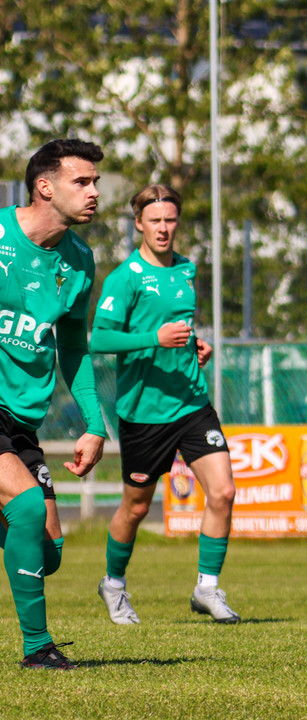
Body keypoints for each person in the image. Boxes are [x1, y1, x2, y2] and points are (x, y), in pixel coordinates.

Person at [90, 184, 240, 625]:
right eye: (154, 220)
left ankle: (207, 588)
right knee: (136, 507)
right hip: (144, 412)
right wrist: (153, 339)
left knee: (224, 492)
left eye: (170, 220)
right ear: (139, 223)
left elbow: (179, 327)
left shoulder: (186, 269)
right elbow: (100, 339)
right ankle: (113, 584)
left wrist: (196, 346)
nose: (163, 228)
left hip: (191, 402)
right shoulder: (126, 277)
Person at [0, 138, 107, 669]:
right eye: (81, 182)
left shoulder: (80, 261)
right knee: (24, 508)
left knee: (48, 553)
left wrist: (95, 423)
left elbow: (75, 348)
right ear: (44, 186)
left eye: (95, 182)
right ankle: (38, 648)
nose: (94, 192)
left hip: (21, 419)